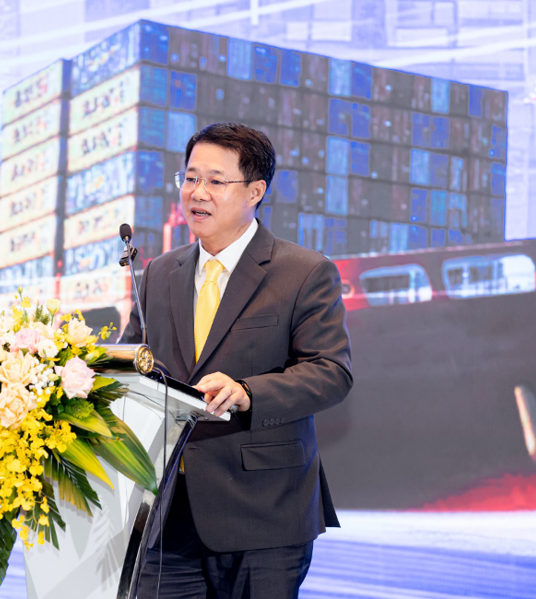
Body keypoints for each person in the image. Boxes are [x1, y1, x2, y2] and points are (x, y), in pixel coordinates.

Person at [120, 122, 353, 599]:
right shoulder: (159, 273)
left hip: (264, 516)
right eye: (189, 178)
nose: (197, 193)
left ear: (255, 191)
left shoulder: (304, 272)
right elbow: (133, 362)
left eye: (214, 181)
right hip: (167, 513)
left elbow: (332, 371)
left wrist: (249, 392)